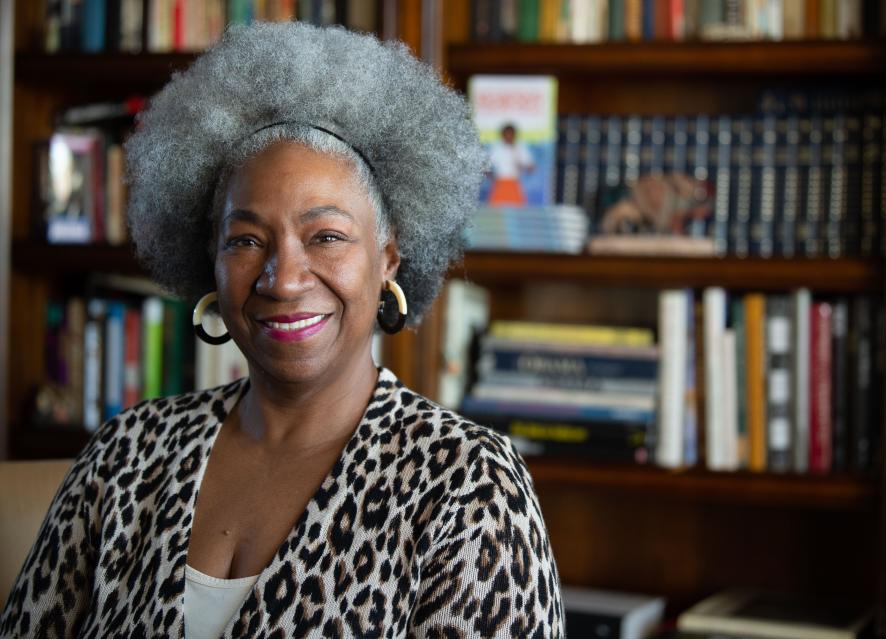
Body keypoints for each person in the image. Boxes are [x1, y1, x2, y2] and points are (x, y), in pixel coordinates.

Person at [0, 22, 564, 638]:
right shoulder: (126, 454)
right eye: (246, 239)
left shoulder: (467, 486)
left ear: (389, 261)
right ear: (209, 260)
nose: (283, 278)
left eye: (326, 236)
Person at [486, 123, 536, 206]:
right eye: (506, 134)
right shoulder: (497, 148)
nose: (509, 136)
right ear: (502, 135)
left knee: (518, 212)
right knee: (495, 212)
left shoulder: (520, 148)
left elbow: (531, 167)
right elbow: (485, 166)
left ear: (514, 135)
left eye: (511, 134)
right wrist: (491, 177)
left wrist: (524, 166)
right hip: (499, 184)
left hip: (514, 184)